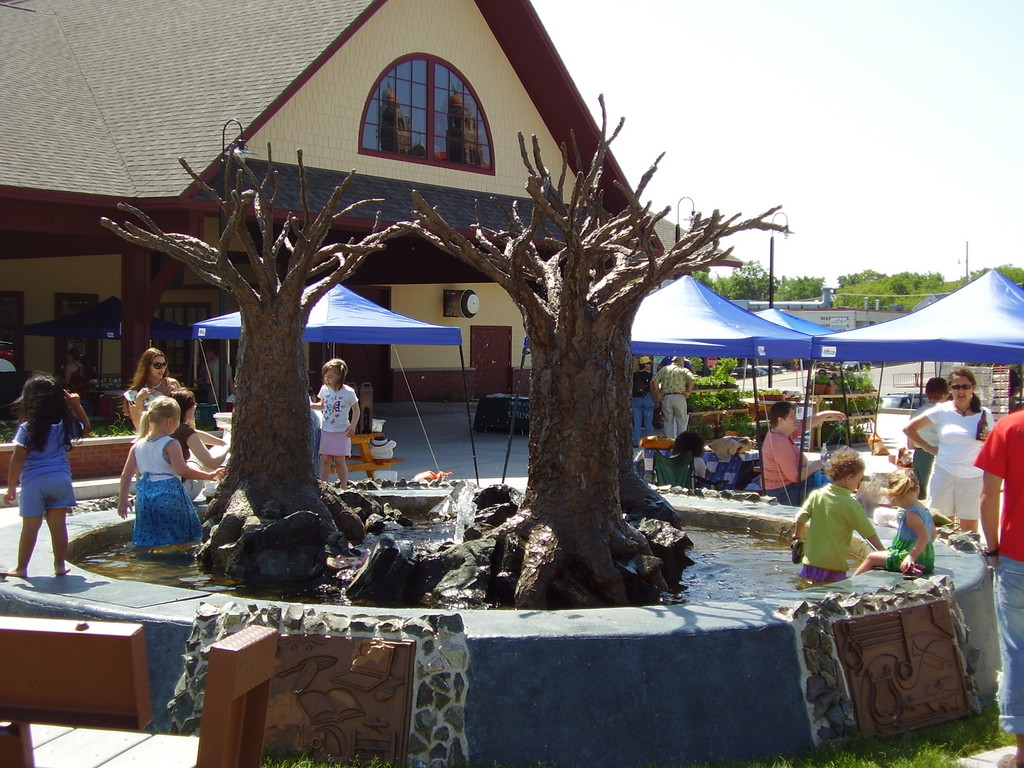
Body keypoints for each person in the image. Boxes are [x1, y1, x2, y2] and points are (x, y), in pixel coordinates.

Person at [2, 374, 90, 577]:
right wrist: (77, 405)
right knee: (58, 526)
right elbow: (86, 428)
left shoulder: (29, 428)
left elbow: (18, 459)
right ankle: (59, 565)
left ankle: (22, 568)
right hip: (60, 480)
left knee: (30, 527)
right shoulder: (66, 425)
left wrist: (11, 487)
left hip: (34, 483)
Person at [976, 405, 1024, 768]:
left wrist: (992, 548)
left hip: (1017, 557)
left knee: (1018, 652)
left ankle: (1022, 753)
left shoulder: (1009, 427)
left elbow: (988, 495)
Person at [117, 396, 222, 547]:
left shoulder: (137, 445)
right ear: (170, 421)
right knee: (176, 535)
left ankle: (146, 559)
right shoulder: (171, 444)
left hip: (144, 497)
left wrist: (123, 500)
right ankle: (175, 559)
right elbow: (182, 470)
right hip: (168, 495)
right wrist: (208, 475)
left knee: (148, 535)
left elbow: (126, 475)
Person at [904, 366, 991, 533]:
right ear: (950, 389)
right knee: (941, 526)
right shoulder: (942, 411)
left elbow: (994, 445)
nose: (961, 391)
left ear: (973, 388)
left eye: (965, 386)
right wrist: (928, 447)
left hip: (973, 476)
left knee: (969, 530)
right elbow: (909, 429)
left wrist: (989, 438)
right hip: (944, 473)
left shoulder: (984, 414)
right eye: (956, 386)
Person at [791, 448, 884, 584]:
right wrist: (883, 551)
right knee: (833, 593)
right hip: (833, 566)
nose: (858, 485)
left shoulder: (817, 495)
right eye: (859, 480)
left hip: (810, 562)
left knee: (808, 589)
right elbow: (868, 533)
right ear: (849, 478)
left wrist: (797, 536)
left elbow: (800, 517)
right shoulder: (851, 505)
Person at [761, 400, 846, 507]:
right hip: (783, 492)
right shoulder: (779, 442)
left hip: (793, 486)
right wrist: (815, 466)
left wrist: (827, 414)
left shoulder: (784, 433)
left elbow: (805, 424)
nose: (795, 419)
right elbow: (795, 476)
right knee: (831, 497)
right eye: (792, 416)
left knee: (835, 486)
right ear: (781, 420)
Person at [853, 468, 936, 577]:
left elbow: (923, 537)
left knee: (872, 558)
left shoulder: (912, 515)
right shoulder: (925, 510)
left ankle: (850, 582)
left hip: (909, 559)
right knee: (881, 555)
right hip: (926, 559)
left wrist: (911, 557)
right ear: (918, 489)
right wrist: (924, 551)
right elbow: (933, 534)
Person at [168, 388, 229, 500]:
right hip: (184, 490)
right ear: (187, 408)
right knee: (197, 457)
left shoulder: (168, 427)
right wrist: (228, 446)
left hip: (161, 488)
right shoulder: (185, 432)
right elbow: (212, 463)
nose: (196, 406)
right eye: (194, 404)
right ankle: (215, 479)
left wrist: (221, 442)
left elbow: (195, 434)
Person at [311, 358, 359, 487]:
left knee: (339, 460)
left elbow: (356, 410)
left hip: (342, 431)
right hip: (326, 429)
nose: (327, 379)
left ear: (339, 376)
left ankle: (343, 486)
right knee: (325, 459)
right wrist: (310, 405)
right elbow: (322, 405)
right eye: (325, 377)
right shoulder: (324, 389)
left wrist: (353, 425)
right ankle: (324, 485)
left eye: (330, 377)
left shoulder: (348, 392)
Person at [906, 377, 949, 500]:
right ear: (946, 393)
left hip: (921, 455)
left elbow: (910, 444)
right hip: (942, 454)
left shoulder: (917, 413)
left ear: (927, 392)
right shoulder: (948, 414)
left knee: (921, 493)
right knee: (941, 495)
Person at [124, 347, 180, 430]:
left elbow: (186, 416)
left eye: (164, 364)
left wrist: (173, 398)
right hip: (149, 435)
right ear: (147, 366)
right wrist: (139, 401)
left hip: (173, 433)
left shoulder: (172, 384)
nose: (162, 369)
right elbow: (138, 426)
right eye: (157, 365)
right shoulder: (134, 393)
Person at [652, 356, 696, 438]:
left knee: (667, 421)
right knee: (681, 420)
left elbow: (655, 381)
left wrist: (658, 392)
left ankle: (669, 441)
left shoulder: (664, 369)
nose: (683, 363)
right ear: (679, 361)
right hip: (679, 396)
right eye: (683, 361)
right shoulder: (683, 370)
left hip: (666, 397)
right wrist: (688, 391)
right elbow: (692, 379)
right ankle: (681, 441)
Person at [631, 356, 656, 445]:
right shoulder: (650, 376)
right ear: (645, 364)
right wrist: (655, 399)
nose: (650, 365)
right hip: (647, 398)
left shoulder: (634, 375)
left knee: (637, 422)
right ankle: (649, 442)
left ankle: (635, 442)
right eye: (649, 363)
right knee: (648, 422)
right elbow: (652, 389)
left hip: (636, 398)